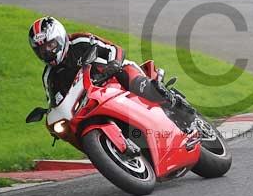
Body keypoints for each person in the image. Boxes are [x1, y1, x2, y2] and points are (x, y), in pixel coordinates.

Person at [28, 16, 196, 130]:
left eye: (50, 45)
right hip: (94, 101)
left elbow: (114, 49)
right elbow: (54, 101)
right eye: (42, 50)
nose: (48, 52)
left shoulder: (79, 41)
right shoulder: (49, 76)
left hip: (116, 77)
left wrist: (114, 64)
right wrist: (49, 113)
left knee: (136, 84)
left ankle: (176, 104)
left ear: (60, 37)